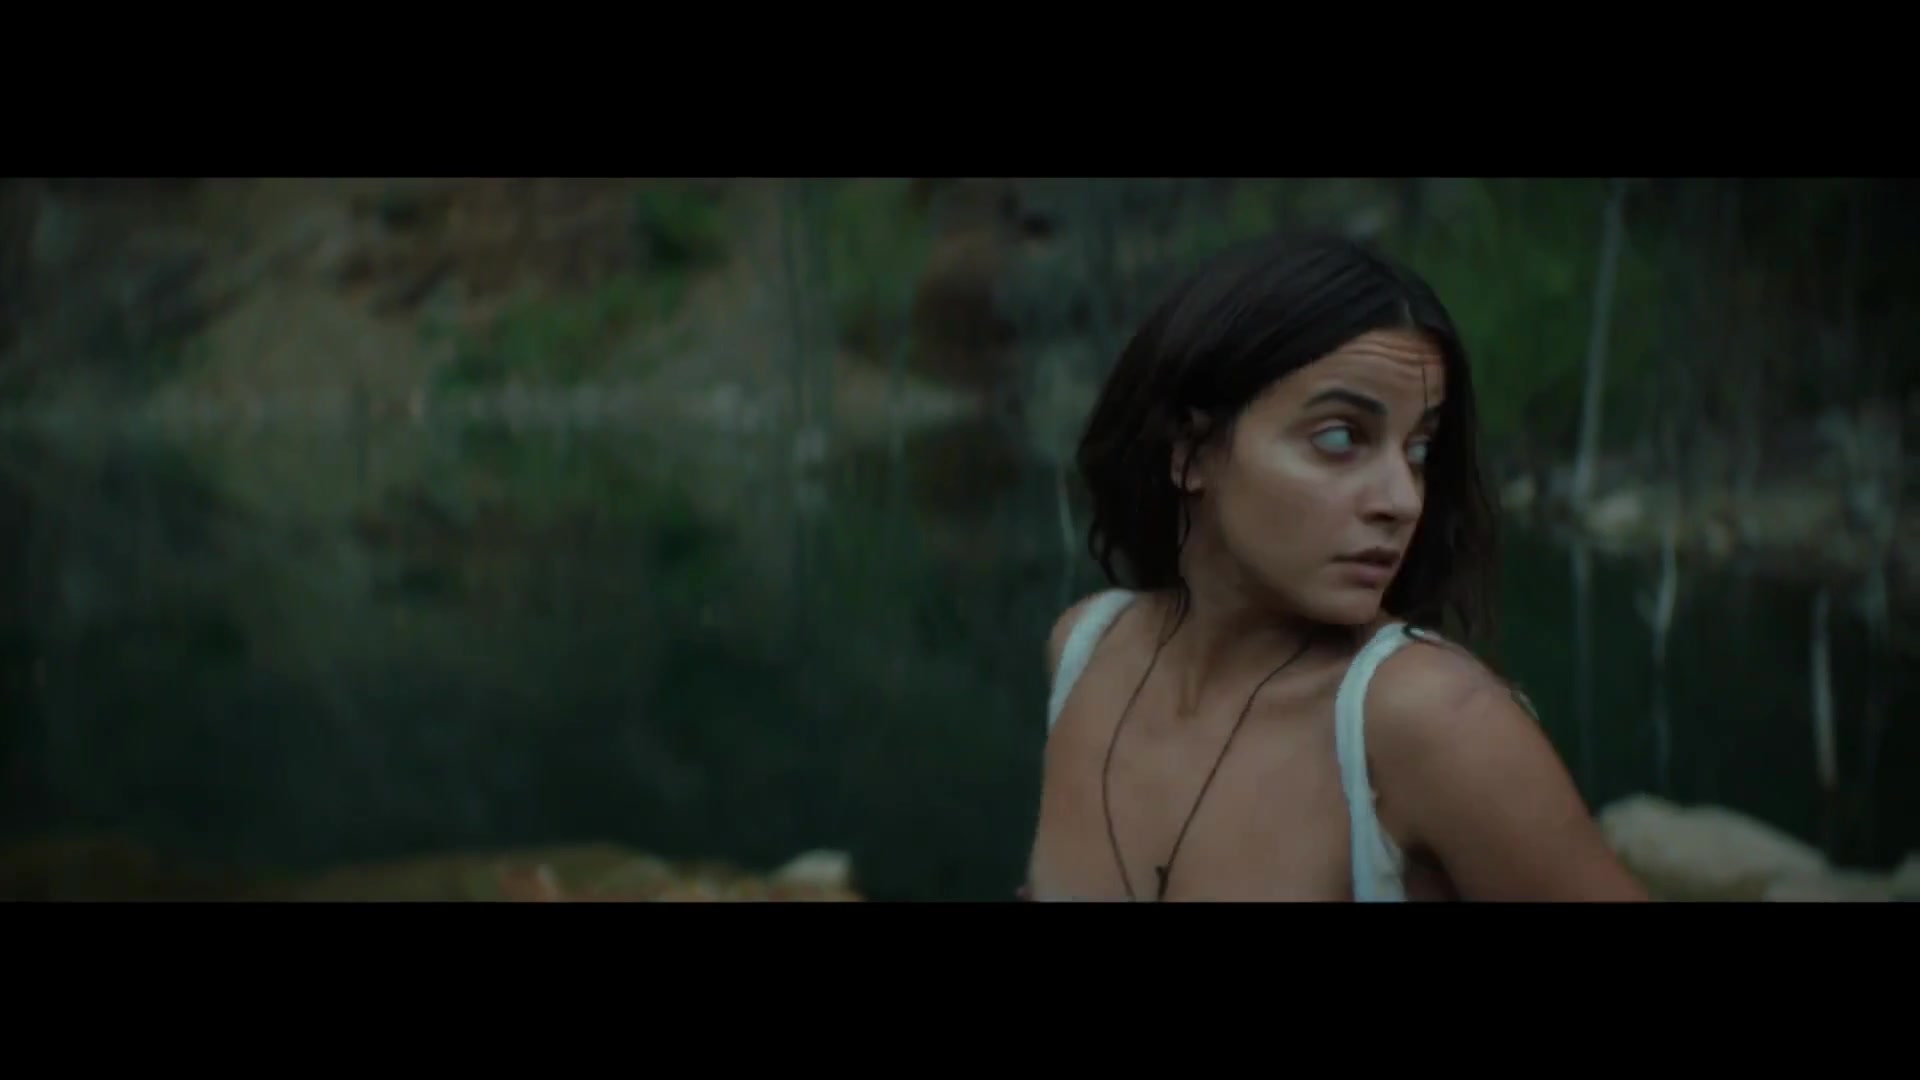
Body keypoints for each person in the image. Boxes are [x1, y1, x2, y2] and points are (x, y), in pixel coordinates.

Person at [1022, 229, 1649, 902]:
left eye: (1419, 450)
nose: (1402, 500)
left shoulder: (1431, 723)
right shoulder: (1086, 651)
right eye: (1340, 438)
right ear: (1190, 451)